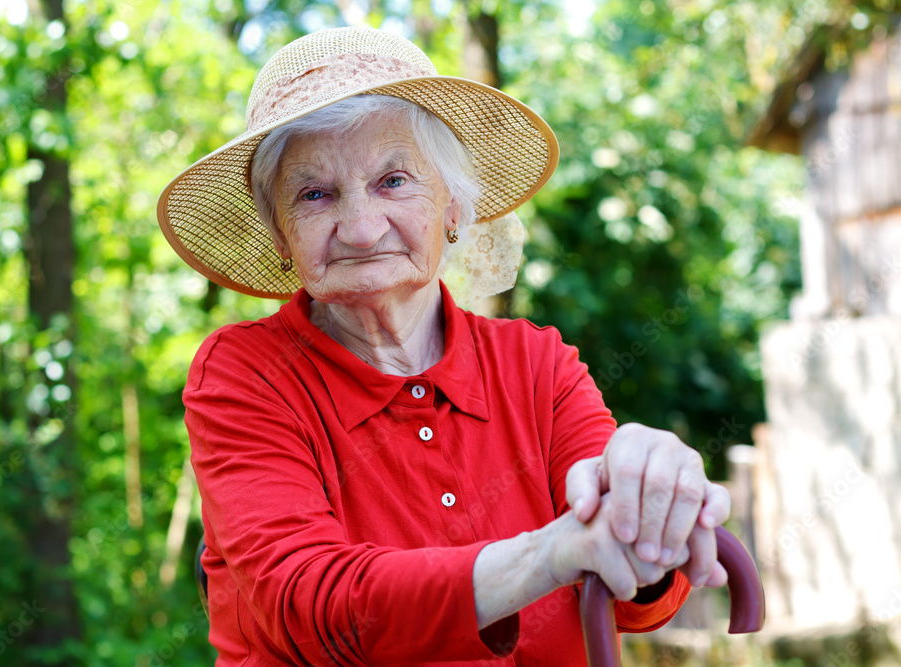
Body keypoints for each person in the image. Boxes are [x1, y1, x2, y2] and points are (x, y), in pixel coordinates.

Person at [157, 26, 730, 666]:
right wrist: (548, 555)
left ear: (454, 205)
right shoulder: (245, 375)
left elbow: (641, 598)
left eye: (393, 180)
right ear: (281, 233)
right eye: (315, 195)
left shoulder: (537, 365)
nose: (361, 227)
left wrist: (650, 505)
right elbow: (307, 606)